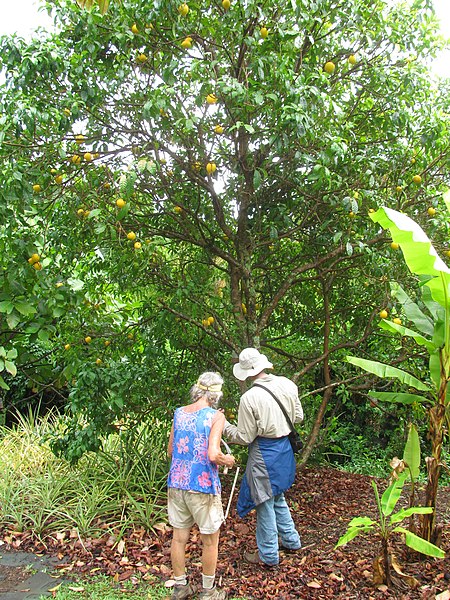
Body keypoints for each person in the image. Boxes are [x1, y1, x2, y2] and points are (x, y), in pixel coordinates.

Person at [224, 347, 303, 567]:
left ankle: (268, 555)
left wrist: (225, 426)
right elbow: (298, 416)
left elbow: (245, 436)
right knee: (277, 495)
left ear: (247, 372)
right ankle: (291, 540)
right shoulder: (288, 384)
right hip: (284, 448)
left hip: (264, 453)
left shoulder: (249, 398)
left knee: (264, 501)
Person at [167, 371, 235, 600]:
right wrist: (229, 460)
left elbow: (170, 451)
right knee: (210, 540)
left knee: (178, 537)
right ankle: (208, 592)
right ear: (217, 395)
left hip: (177, 483)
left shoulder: (179, 413)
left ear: (197, 390)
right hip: (202, 485)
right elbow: (214, 454)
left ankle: (180, 587)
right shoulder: (216, 417)